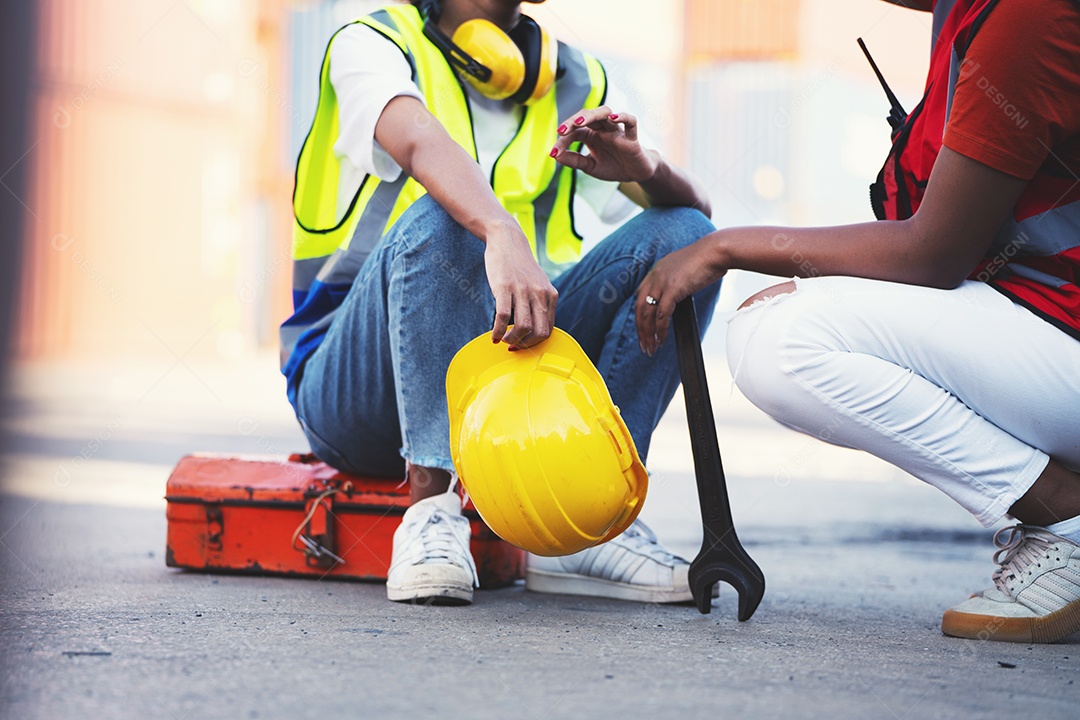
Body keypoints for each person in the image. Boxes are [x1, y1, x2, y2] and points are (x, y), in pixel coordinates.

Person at [634, 0, 1080, 643]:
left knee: (782, 341)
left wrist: (724, 247)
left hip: (1060, 335)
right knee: (785, 323)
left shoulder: (1026, 17)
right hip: (1046, 330)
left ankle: (1067, 517)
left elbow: (934, 253)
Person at [280, 0, 721, 605]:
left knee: (687, 241)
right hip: (359, 390)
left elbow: (695, 217)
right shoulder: (375, 41)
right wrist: (500, 228)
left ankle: (589, 516)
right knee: (448, 210)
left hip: (510, 362)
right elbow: (415, 139)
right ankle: (431, 511)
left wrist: (643, 167)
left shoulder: (575, 81)